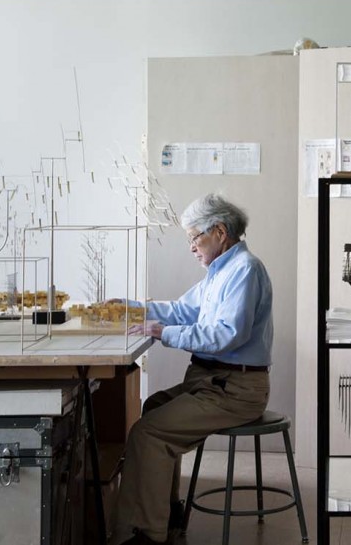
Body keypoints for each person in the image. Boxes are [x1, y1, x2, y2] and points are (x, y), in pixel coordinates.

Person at [113, 193, 273, 545]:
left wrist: (162, 333)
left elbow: (226, 335)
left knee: (148, 433)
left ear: (219, 231)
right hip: (214, 381)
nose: (191, 247)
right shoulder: (220, 272)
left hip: (235, 390)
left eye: (193, 237)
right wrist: (131, 309)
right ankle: (166, 513)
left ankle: (144, 534)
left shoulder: (245, 270)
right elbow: (182, 311)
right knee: (153, 407)